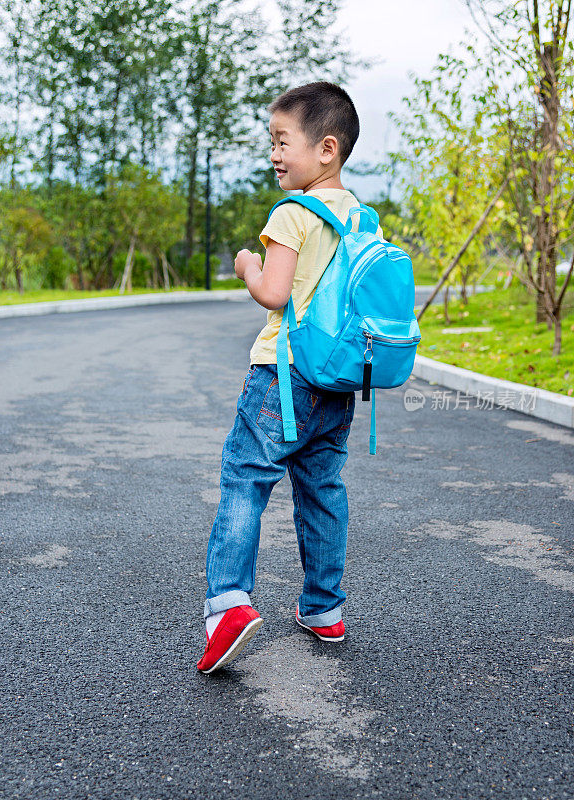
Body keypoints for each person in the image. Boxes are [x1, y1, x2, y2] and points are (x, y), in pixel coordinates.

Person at [197, 81, 382, 674]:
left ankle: (228, 605)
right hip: (337, 382)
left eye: (283, 141)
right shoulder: (362, 217)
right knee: (322, 490)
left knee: (245, 481)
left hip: (282, 375)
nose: (274, 154)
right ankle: (324, 608)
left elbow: (274, 293)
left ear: (326, 148)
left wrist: (249, 265)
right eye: (271, 142)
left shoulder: (292, 213)